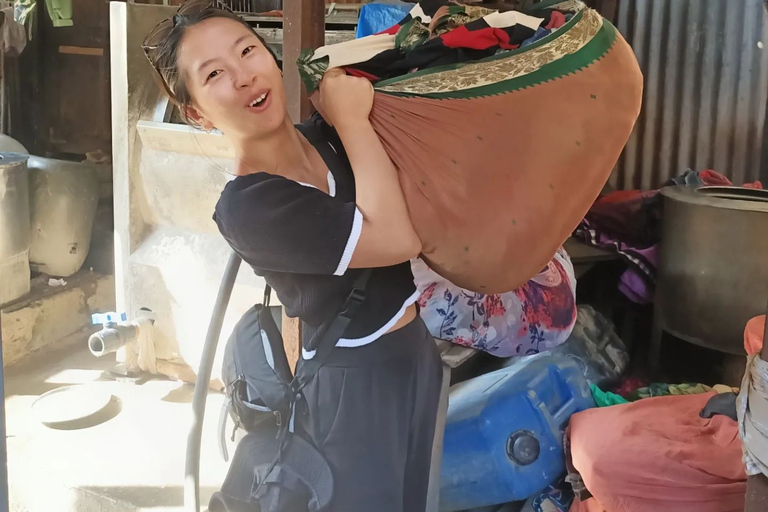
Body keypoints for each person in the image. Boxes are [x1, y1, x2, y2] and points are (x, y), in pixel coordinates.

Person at [142, 1, 442, 511]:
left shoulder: (323, 138)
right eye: (215, 73)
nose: (243, 76)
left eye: (248, 51)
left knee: (418, 498)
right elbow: (396, 240)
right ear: (196, 112)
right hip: (351, 384)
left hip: (413, 352)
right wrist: (351, 121)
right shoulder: (249, 206)